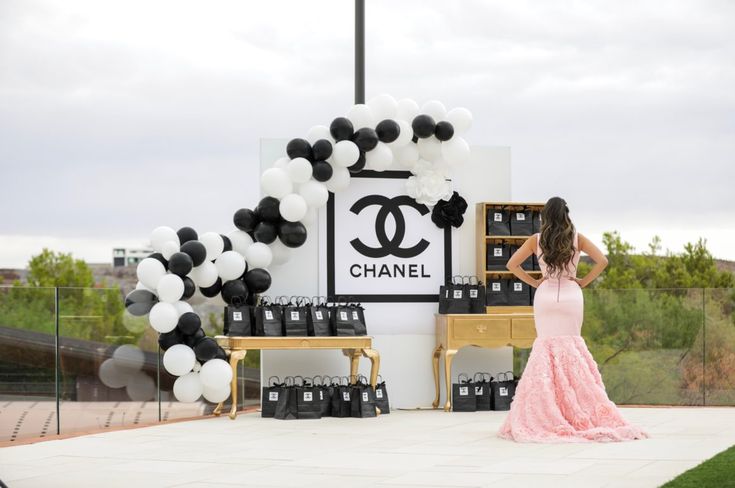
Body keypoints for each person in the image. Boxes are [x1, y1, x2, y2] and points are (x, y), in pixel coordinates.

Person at [497, 197, 649, 442]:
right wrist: (583, 281)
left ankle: (547, 410)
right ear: (566, 214)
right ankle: (575, 406)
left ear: (545, 216)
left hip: (545, 296)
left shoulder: (536, 240)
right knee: (571, 347)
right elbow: (603, 261)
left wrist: (535, 281)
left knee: (546, 348)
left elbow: (511, 264)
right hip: (571, 294)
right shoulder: (577, 238)